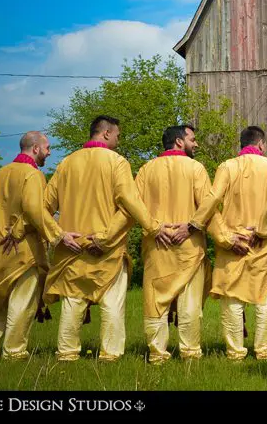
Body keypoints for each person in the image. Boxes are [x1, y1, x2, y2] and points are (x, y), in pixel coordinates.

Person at [42, 115, 171, 362]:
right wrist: (151, 229)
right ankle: (110, 355)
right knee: (112, 303)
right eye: (118, 136)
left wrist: (59, 236)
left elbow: (43, 207)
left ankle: (67, 353)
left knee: (73, 302)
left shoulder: (67, 163)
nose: (119, 141)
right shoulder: (117, 162)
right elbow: (130, 204)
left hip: (72, 249)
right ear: (107, 133)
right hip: (107, 250)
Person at [97, 124, 212, 364]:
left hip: (156, 245)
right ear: (179, 141)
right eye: (192, 139)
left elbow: (131, 207)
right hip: (189, 246)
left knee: (155, 301)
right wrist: (192, 227)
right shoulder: (196, 168)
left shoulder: (146, 170)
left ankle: (157, 355)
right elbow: (208, 205)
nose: (196, 144)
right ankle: (190, 354)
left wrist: (150, 228)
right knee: (189, 302)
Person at [0, 132, 82, 361]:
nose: (49, 153)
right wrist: (59, 236)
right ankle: (14, 352)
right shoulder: (33, 174)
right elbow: (34, 209)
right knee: (22, 303)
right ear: (35, 148)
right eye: (47, 148)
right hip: (24, 250)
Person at [183, 126, 267, 361]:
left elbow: (213, 198)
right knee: (265, 299)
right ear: (261, 144)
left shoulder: (227, 166)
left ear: (242, 144)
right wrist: (262, 229)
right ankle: (264, 350)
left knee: (232, 299)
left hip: (233, 242)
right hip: (264, 243)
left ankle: (235, 352)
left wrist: (196, 223)